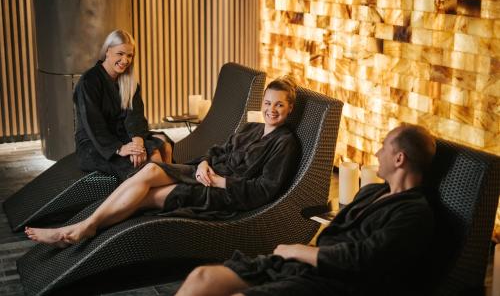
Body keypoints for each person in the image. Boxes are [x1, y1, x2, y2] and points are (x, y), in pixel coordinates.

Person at [25, 77, 300, 248]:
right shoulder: (252, 128)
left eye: (279, 105)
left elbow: (265, 189)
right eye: (267, 102)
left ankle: (80, 229)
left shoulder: (284, 142)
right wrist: (205, 163)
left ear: (290, 109)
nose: (271, 110)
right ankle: (86, 226)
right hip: (203, 174)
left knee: (147, 197)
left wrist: (219, 181)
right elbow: (218, 149)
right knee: (150, 171)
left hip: (222, 193)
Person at [175, 124, 437, 296]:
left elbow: (364, 258)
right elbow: (331, 236)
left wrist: (299, 249)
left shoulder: (413, 213)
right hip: (305, 267)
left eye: (383, 147)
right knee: (203, 277)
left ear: (399, 159)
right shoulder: (372, 192)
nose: (378, 153)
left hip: (335, 284)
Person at [73, 29, 173, 181]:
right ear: (107, 51)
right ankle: (163, 193)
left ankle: (164, 191)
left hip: (123, 135)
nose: (125, 60)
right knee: (148, 165)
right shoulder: (89, 81)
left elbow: (136, 116)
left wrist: (137, 143)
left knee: (163, 148)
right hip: (95, 145)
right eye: (120, 54)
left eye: (129, 55)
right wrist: (119, 148)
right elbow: (94, 125)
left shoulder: (129, 81)